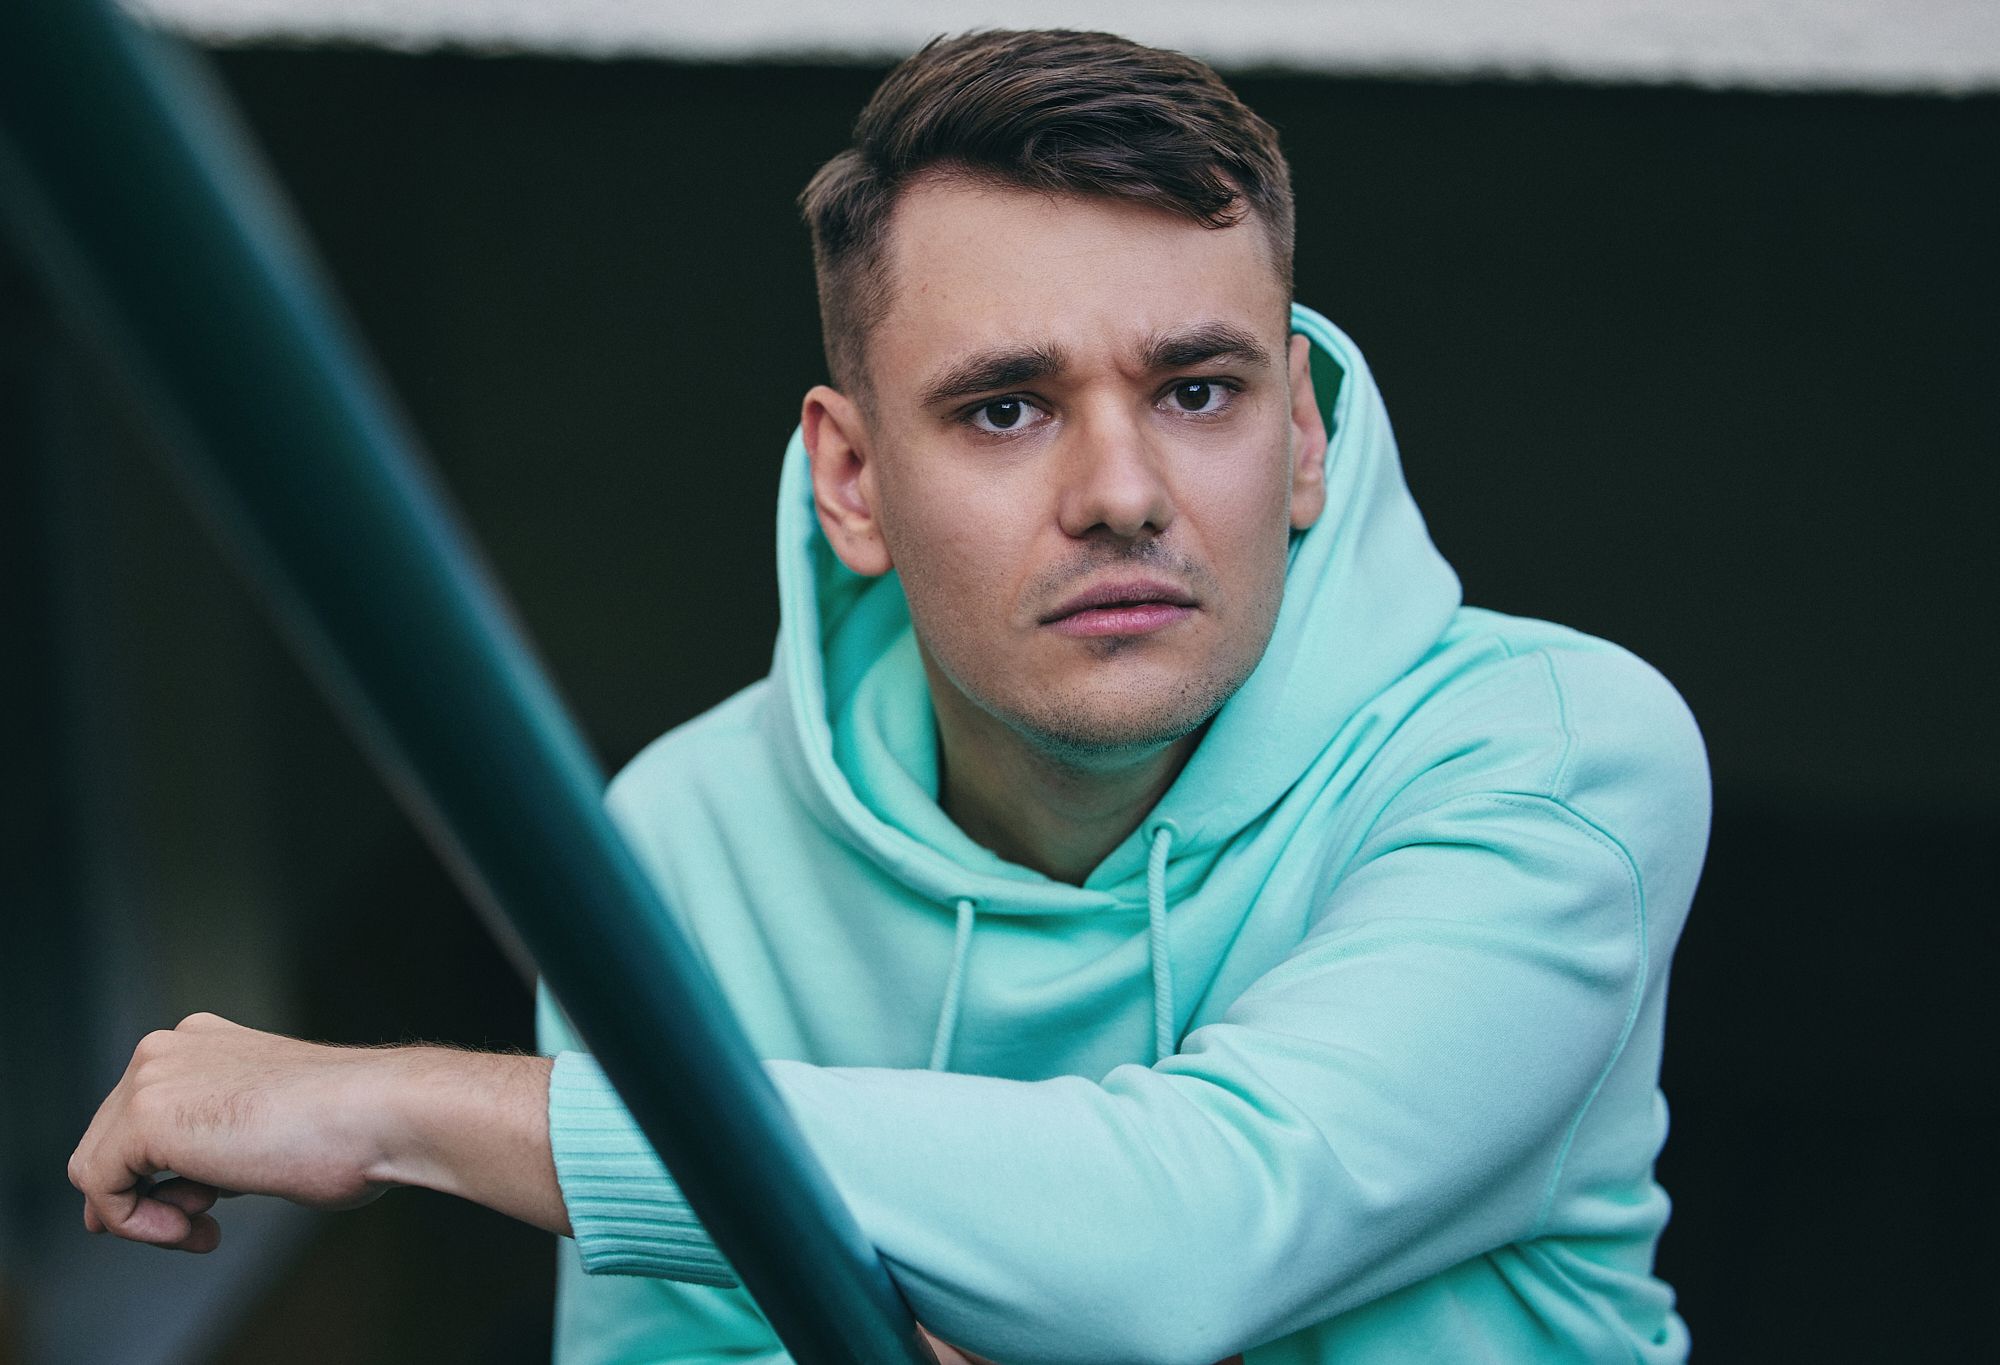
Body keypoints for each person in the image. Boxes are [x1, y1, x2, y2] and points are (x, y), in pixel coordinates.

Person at [67, 29, 1709, 1365]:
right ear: (851, 479)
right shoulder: (690, 841)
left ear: (1303, 437)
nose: (1122, 492)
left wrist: (405, 1107)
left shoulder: (1556, 756)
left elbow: (1199, 1226)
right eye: (1006, 409)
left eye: (1198, 389)